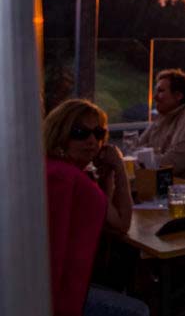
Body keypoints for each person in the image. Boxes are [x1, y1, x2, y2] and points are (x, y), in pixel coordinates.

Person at [44, 99, 148, 316]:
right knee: (138, 311)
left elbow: (100, 210)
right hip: (59, 296)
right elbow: (120, 223)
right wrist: (119, 167)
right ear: (61, 133)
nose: (92, 141)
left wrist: (107, 174)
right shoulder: (71, 179)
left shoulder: (51, 168)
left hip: (37, 287)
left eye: (98, 133)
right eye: (80, 132)